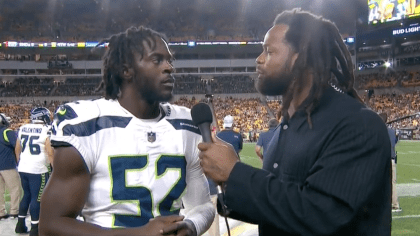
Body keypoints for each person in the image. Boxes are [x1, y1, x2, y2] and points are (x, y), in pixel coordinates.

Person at [198, 9, 391, 236]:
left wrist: (235, 172)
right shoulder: (287, 125)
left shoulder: (357, 125)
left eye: (269, 51)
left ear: (301, 58)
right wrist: (228, 186)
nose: (259, 59)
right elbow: (279, 206)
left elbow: (321, 214)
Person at [39, 26, 214, 236]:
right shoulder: (87, 124)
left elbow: (201, 206)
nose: (169, 67)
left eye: (170, 60)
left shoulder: (187, 123)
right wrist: (138, 234)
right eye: (157, 60)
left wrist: (190, 226)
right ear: (126, 70)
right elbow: (51, 225)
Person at [15, 107, 54, 236]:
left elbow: (17, 148)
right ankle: (35, 229)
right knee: (36, 199)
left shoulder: (23, 128)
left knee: (26, 195)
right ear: (42, 117)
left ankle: (20, 225)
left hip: (23, 167)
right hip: (38, 169)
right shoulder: (45, 130)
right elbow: (49, 152)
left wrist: (21, 162)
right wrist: (54, 168)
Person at [0, 113, 20, 221]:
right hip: (8, 165)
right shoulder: (7, 132)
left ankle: (1, 213)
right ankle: (14, 212)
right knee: (15, 189)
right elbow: (17, 146)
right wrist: (18, 160)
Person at [380, 113, 401, 212]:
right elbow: (395, 141)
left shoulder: (378, 131)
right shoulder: (392, 131)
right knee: (392, 183)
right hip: (391, 159)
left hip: (381, 160)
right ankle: (395, 204)